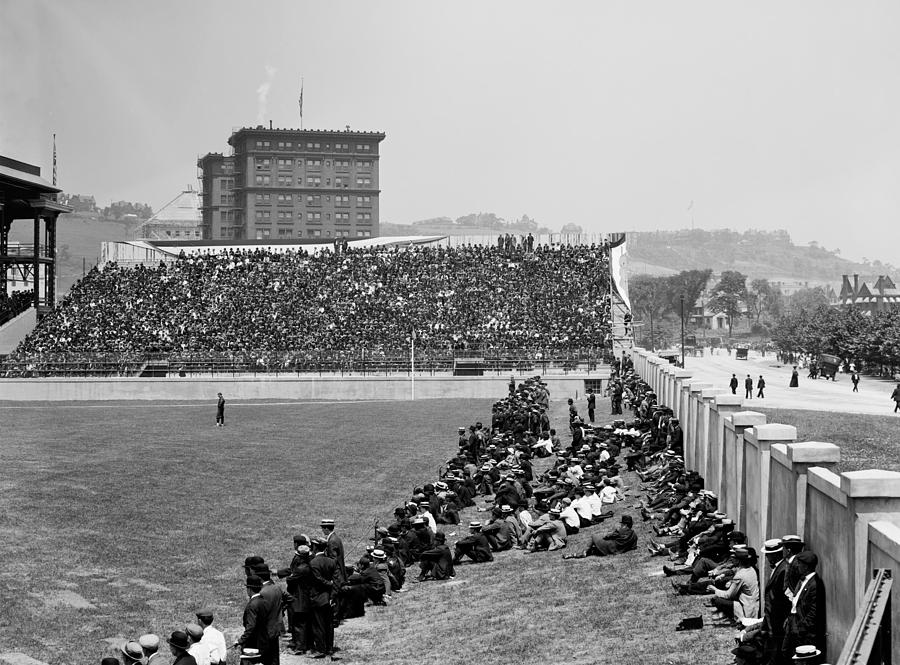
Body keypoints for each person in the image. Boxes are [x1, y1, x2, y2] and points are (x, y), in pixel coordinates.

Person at [782, 551, 827, 662]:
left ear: (806, 566)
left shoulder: (815, 584)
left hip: (802, 630)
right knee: (786, 652)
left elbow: (814, 612)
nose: (797, 566)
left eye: (800, 564)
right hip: (793, 623)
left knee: (799, 658)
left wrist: (801, 628)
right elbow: (796, 602)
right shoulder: (802, 581)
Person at [308, 537, 339, 659]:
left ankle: (320, 649)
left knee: (318, 625)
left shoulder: (313, 563)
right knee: (329, 624)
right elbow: (337, 580)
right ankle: (329, 648)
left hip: (317, 597)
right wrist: (333, 596)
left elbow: (317, 579)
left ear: (315, 547)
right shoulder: (332, 562)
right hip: (329, 598)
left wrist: (328, 583)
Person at [563, 515, 637, 558]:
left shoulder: (620, 530)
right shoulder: (634, 535)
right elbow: (633, 547)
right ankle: (577, 554)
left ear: (625, 524)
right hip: (619, 549)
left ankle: (583, 552)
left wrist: (607, 535)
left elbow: (607, 536)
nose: (621, 525)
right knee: (594, 550)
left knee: (594, 536)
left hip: (611, 548)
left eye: (622, 524)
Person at [321, 519, 347, 584]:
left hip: (336, 575)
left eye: (322, 528)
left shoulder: (332, 541)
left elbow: (333, 560)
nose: (322, 530)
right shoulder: (335, 538)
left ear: (326, 528)